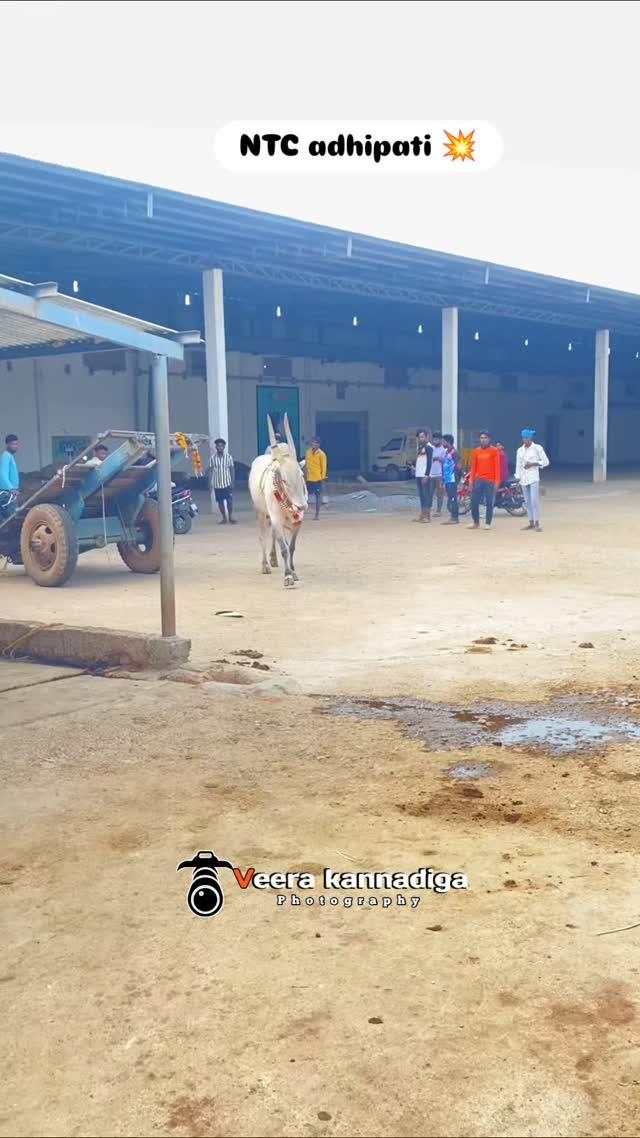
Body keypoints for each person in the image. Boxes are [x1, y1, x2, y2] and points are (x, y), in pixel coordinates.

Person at [515, 428, 549, 532]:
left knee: (534, 501)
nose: (527, 440)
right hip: (523, 478)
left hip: (534, 477)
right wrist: (518, 479)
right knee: (527, 501)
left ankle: (537, 523)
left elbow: (546, 462)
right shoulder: (520, 450)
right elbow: (518, 465)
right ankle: (530, 522)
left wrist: (534, 464)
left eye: (529, 438)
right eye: (525, 438)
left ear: (531, 438)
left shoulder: (537, 448)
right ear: (523, 439)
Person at [469, 431, 500, 529]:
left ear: (489, 439)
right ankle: (476, 522)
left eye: (485, 438)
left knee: (489, 502)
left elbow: (497, 467)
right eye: (481, 438)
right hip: (478, 479)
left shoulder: (494, 450)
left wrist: (497, 481)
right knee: (474, 501)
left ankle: (488, 523)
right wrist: (471, 480)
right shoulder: (476, 451)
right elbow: (473, 467)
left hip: (490, 481)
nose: (483, 440)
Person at [209, 437, 236, 524]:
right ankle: (224, 518)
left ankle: (230, 517)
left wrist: (232, 482)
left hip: (227, 483)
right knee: (220, 502)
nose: (219, 447)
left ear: (224, 447)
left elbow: (232, 469)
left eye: (221, 446)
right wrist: (210, 483)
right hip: (217, 484)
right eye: (218, 446)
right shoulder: (212, 458)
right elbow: (210, 470)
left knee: (229, 501)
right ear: (216, 447)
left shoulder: (229, 457)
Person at [304, 437, 328, 520]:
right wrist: (305, 476)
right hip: (308, 478)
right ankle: (301, 513)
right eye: (312, 442)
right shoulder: (308, 452)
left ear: (318, 445)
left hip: (317, 479)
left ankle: (317, 514)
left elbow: (324, 467)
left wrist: (322, 478)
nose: (313, 444)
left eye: (315, 443)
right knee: (304, 495)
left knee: (318, 497)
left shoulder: (322, 454)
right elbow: (306, 465)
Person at [413, 429, 433, 522]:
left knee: (426, 495)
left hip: (425, 475)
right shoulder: (420, 448)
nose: (421, 439)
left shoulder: (429, 447)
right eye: (419, 437)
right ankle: (422, 514)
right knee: (421, 495)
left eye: (422, 437)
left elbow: (429, 462)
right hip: (418, 474)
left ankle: (427, 516)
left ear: (426, 437)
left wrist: (426, 475)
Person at [441, 433, 461, 524]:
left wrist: (456, 478)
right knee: (450, 498)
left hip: (452, 479)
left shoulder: (454, 452)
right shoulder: (447, 452)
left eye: (443, 441)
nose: (442, 443)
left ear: (448, 442)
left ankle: (455, 518)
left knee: (453, 498)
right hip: (448, 479)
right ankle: (453, 516)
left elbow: (458, 466)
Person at [427, 431, 447, 516]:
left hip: (439, 475)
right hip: (431, 474)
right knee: (429, 493)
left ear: (440, 440)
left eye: (437, 439)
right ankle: (428, 509)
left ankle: (439, 511)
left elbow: (446, 461)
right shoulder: (431, 448)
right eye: (434, 439)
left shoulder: (444, 450)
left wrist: (439, 458)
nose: (435, 441)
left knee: (439, 494)